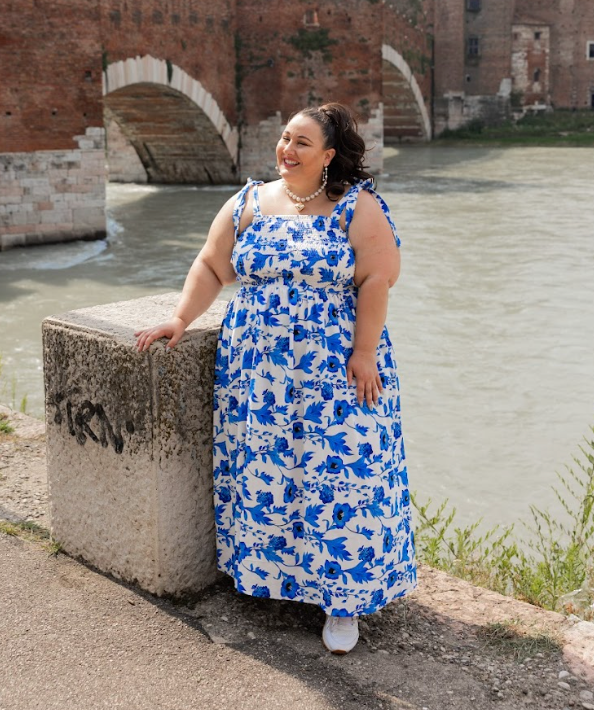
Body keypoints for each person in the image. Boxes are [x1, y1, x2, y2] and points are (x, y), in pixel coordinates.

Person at [135, 102, 417, 655]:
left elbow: (379, 278)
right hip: (257, 373)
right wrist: (180, 318)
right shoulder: (247, 202)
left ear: (329, 155)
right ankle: (279, 580)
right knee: (271, 472)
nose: (287, 149)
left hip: (335, 369)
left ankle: (342, 605)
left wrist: (364, 353)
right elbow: (212, 266)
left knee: (340, 477)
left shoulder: (356, 207)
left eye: (303, 143)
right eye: (285, 137)